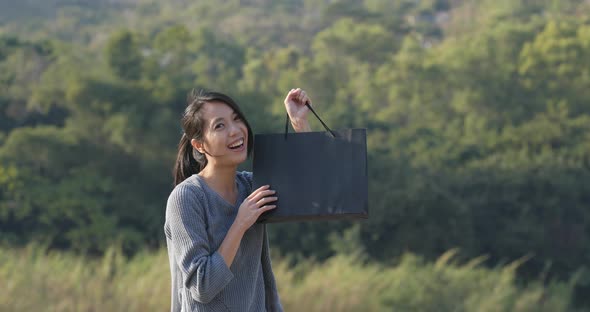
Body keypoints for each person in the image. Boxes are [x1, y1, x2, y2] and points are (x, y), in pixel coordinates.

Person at [164, 88, 313, 312]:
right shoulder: (187, 198)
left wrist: (300, 124)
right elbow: (202, 287)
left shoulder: (251, 187)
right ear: (199, 145)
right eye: (220, 126)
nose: (235, 131)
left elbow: (311, 191)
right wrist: (240, 223)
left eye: (236, 119)